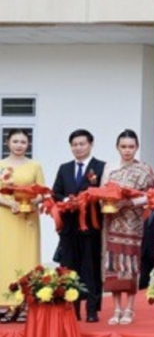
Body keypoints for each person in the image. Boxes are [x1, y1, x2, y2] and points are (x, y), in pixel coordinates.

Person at [99, 129, 154, 325]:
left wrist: (130, 203)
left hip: (133, 224)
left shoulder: (145, 170)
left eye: (131, 147)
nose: (127, 150)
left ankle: (130, 309)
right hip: (113, 221)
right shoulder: (110, 169)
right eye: (123, 146)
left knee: (131, 266)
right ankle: (116, 308)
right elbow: (101, 192)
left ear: (137, 147)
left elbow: (152, 195)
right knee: (113, 264)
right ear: (117, 147)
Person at [52, 129, 107, 322]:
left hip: (91, 226)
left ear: (91, 144)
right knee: (69, 268)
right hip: (69, 227)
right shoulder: (64, 168)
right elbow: (55, 193)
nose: (78, 148)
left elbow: (105, 192)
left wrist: (86, 199)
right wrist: (68, 199)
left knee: (91, 267)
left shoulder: (101, 167)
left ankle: (92, 310)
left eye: (82, 144)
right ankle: (71, 309)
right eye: (74, 144)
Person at [0, 129, 45, 323]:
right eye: (15, 141)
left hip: (27, 218)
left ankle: (26, 304)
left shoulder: (35, 166)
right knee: (6, 258)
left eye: (23, 142)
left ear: (28, 144)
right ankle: (9, 304)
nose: (19, 145)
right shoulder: (1, 166)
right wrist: (11, 204)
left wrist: (32, 202)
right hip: (6, 216)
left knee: (27, 257)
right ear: (8, 143)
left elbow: (43, 192)